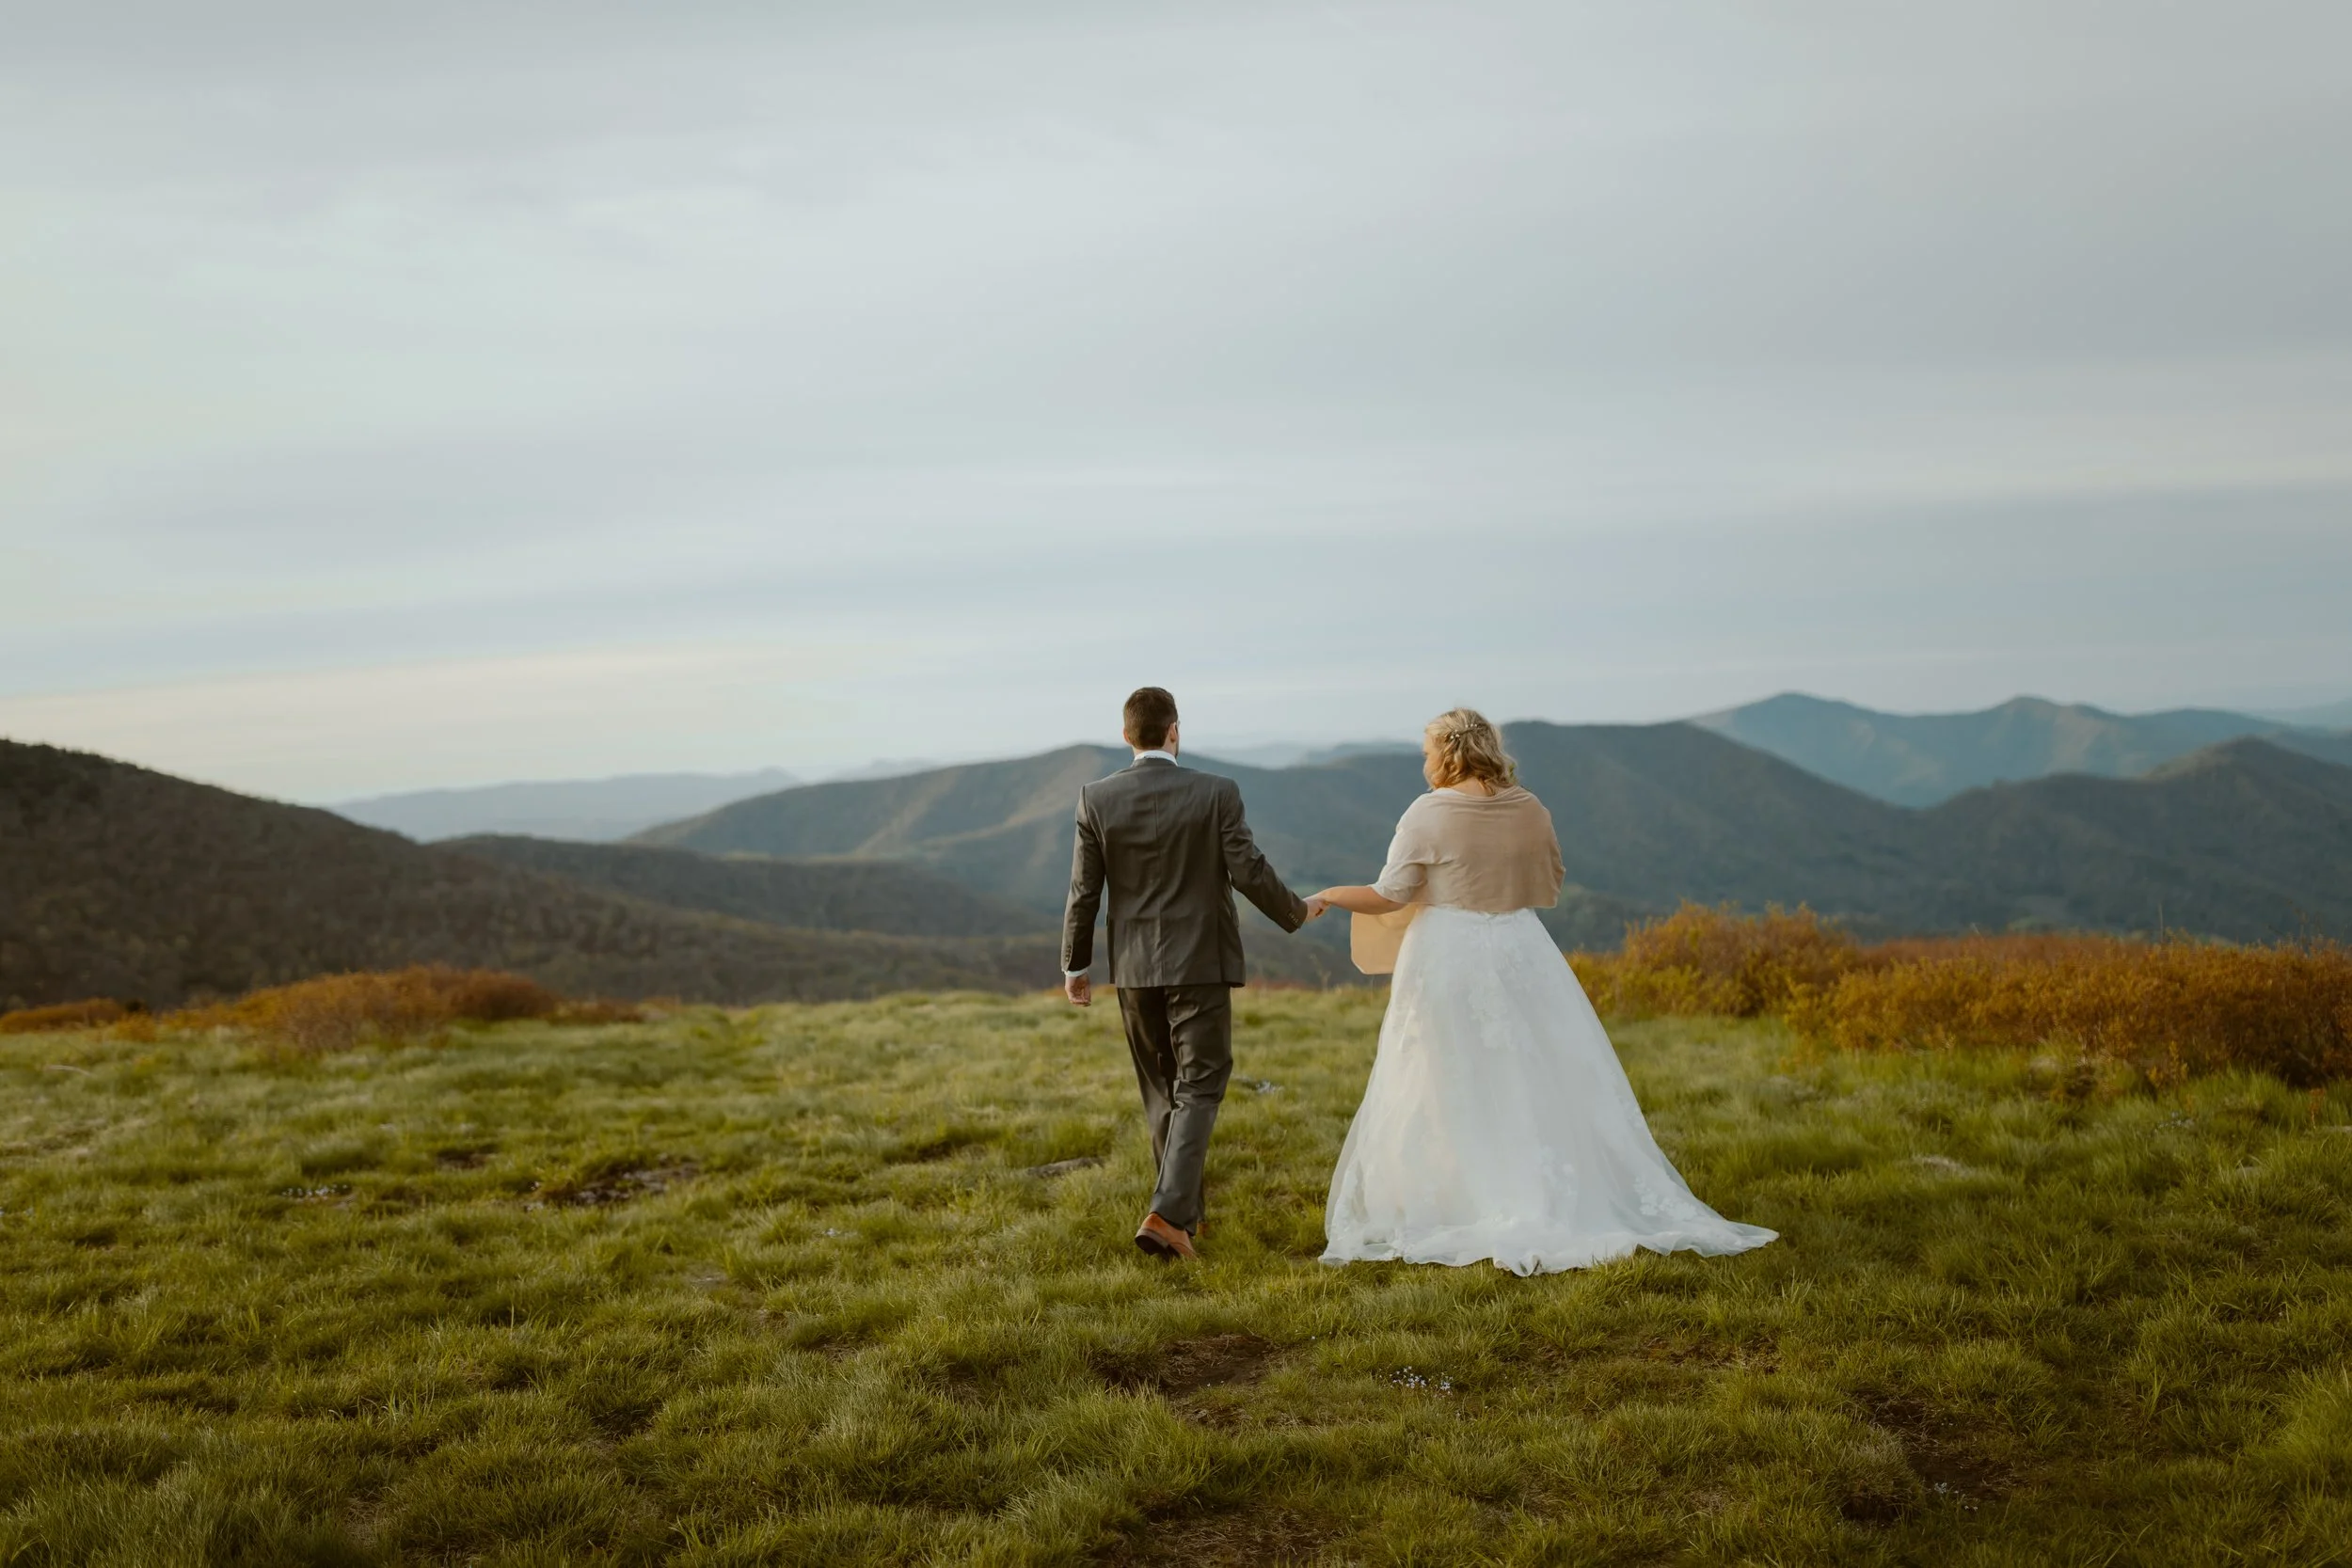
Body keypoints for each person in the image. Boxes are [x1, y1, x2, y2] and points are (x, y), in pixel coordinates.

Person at [1311, 707, 1775, 1275]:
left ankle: (1464, 1193)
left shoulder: (1428, 812)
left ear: (1449, 754)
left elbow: (1390, 894)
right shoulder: (1529, 807)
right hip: (1520, 950)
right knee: (1534, 1072)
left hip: (1450, 956)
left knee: (1445, 1071)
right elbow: (1551, 878)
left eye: (1428, 751)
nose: (1424, 761)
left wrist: (1330, 894)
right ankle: (1540, 1187)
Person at [1060, 687, 1327, 1261]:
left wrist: (1076, 965)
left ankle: (1182, 1215)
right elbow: (1247, 870)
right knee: (1201, 1083)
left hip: (1134, 968)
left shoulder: (1094, 799)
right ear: (1174, 731)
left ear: (1126, 736)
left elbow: (1084, 892)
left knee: (1163, 1089)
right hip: (1201, 962)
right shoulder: (1216, 792)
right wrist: (1297, 910)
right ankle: (1169, 1214)